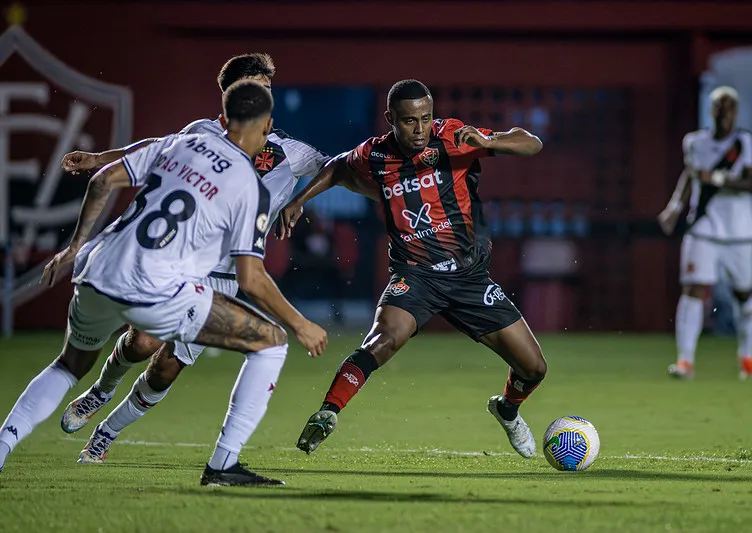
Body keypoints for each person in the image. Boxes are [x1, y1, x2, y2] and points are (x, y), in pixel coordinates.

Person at [0, 81, 328, 487]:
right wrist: (300, 324)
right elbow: (252, 277)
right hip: (160, 281)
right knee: (270, 344)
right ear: (267, 126)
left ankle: (9, 447)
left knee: (69, 366)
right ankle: (223, 466)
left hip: (97, 265)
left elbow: (103, 181)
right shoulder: (247, 184)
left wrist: (72, 250)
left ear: (223, 119)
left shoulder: (182, 144)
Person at [278, 79, 547, 458]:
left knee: (534, 367)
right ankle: (328, 412)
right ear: (390, 119)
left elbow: (531, 142)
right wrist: (298, 200)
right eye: (409, 121)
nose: (419, 129)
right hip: (416, 276)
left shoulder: (453, 136)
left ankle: (506, 408)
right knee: (382, 340)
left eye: (425, 118)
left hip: (469, 276)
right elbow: (337, 167)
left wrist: (491, 142)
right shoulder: (374, 155)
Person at [658, 86, 752, 380]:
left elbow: (751, 184)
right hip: (703, 226)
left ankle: (748, 359)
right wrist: (674, 207)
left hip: (739, 230)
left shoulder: (746, 142)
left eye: (730, 108)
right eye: (719, 107)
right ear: (712, 111)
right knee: (693, 290)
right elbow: (690, 175)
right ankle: (685, 362)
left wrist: (714, 177)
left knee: (744, 295)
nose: (724, 114)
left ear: (736, 112)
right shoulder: (694, 142)